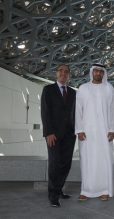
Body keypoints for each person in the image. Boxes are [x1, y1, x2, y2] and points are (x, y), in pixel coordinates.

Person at [75, 63, 114, 201]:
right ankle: (86, 190)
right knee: (87, 160)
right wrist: (79, 130)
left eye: (101, 71)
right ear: (92, 72)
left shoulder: (109, 88)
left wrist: (112, 129)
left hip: (104, 132)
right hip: (87, 132)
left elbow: (112, 110)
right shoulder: (83, 88)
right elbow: (78, 111)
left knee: (104, 160)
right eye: (96, 71)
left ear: (104, 73)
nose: (98, 73)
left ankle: (105, 189)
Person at [41, 64, 76, 207]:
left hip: (70, 133)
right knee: (54, 164)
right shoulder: (48, 90)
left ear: (69, 75)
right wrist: (48, 132)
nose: (63, 73)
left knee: (66, 163)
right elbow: (45, 112)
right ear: (56, 73)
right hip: (53, 134)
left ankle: (59, 189)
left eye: (66, 72)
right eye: (61, 71)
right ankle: (53, 195)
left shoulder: (73, 92)